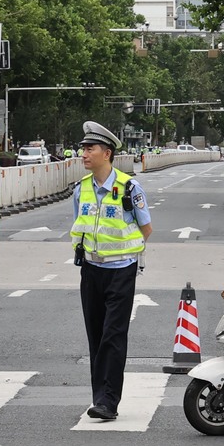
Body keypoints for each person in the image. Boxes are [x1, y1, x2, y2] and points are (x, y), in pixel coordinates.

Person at [70, 121, 152, 421]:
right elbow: (80, 227)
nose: (84, 154)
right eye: (83, 149)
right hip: (91, 271)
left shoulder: (129, 188)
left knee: (113, 336)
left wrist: (126, 253)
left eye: (89, 149)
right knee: (95, 335)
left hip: (121, 271)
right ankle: (99, 397)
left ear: (106, 153)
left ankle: (108, 401)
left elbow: (146, 228)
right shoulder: (80, 189)